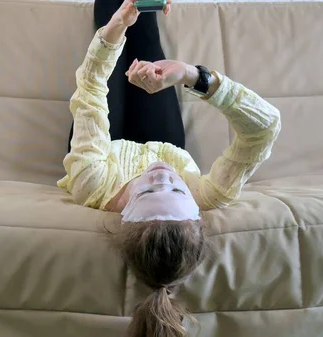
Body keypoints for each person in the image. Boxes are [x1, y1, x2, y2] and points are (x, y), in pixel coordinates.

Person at [57, 0, 281, 336]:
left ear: (124, 212)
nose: (162, 173)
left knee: (115, 12)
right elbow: (264, 127)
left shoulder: (92, 182)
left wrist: (116, 26)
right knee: (146, 29)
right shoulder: (209, 194)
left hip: (105, 151)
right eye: (177, 188)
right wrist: (192, 75)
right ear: (195, 209)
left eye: (148, 189)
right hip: (163, 140)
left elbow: (91, 87)